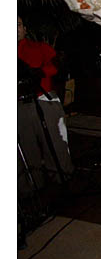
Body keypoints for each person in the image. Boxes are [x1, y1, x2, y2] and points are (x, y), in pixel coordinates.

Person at [17, 15, 74, 196]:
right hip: (18, 106)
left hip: (44, 99)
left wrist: (38, 72)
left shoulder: (40, 47)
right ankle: (30, 188)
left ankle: (63, 179)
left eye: (17, 24)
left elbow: (55, 66)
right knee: (26, 150)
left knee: (57, 145)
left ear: (25, 28)